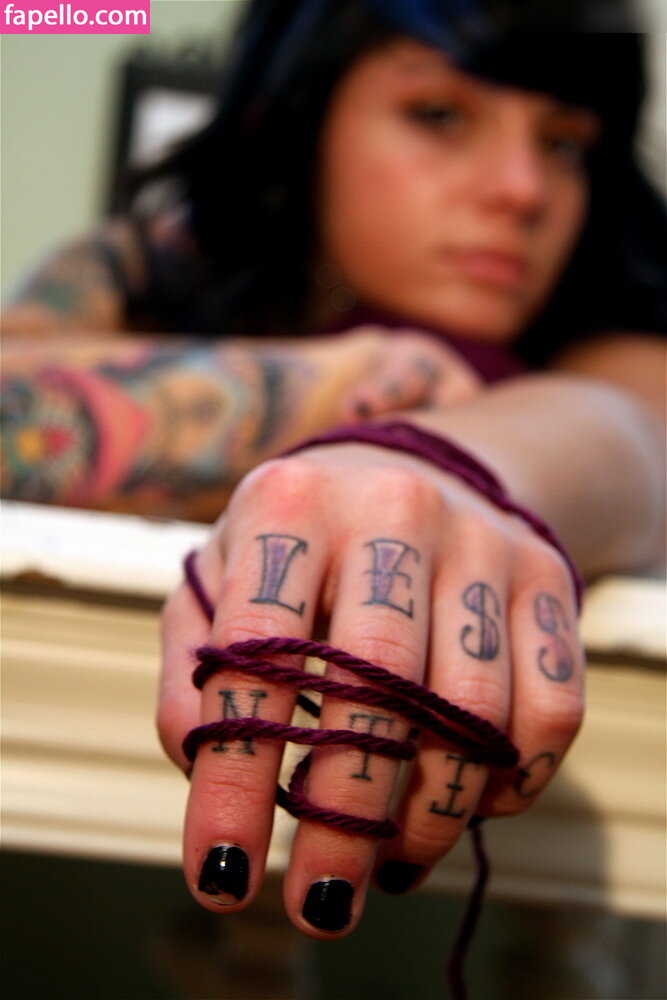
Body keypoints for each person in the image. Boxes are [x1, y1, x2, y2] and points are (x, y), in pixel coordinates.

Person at [1, 0, 665, 947]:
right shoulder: (150, 262)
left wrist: (432, 464)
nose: (523, 189)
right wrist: (351, 384)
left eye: (561, 143)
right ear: (299, 118)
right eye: (439, 114)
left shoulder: (613, 335)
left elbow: (625, 434)